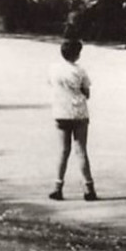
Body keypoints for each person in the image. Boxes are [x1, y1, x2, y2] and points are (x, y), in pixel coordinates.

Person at [48, 38, 98, 201]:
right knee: (81, 150)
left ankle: (57, 186)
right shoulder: (80, 71)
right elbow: (87, 92)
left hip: (61, 112)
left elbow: (51, 85)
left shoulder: (54, 69)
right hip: (78, 113)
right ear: (77, 55)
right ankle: (88, 187)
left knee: (63, 150)